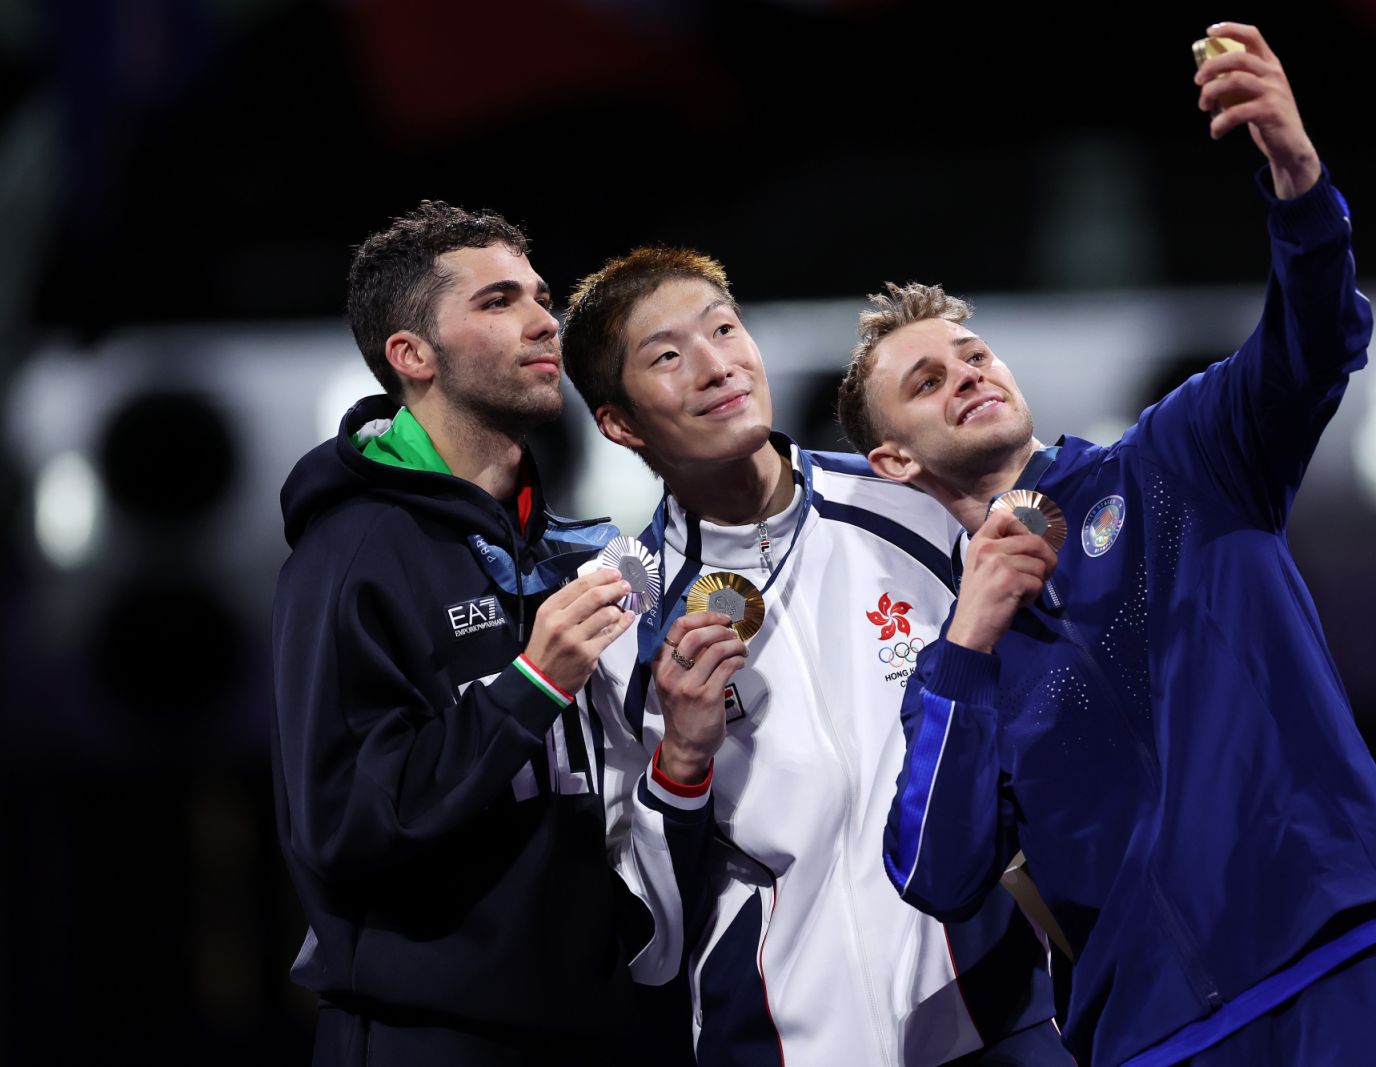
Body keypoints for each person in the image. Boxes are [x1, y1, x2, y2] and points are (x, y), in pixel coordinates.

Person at [839, 24, 1376, 1067]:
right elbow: (935, 872)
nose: (968, 375)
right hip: (1150, 1028)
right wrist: (968, 640)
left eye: (972, 353)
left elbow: (1313, 342)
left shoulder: (1176, 460)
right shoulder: (955, 667)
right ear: (893, 460)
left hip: (1322, 940)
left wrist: (1299, 184)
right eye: (928, 382)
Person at [559, 249, 1066, 1065]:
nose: (716, 364)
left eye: (724, 329)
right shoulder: (621, 618)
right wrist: (683, 760)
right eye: (667, 355)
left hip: (993, 1017)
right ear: (618, 422)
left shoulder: (915, 506)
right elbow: (645, 936)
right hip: (778, 1045)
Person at [271, 201, 648, 1065]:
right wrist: (531, 685)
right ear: (413, 356)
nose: (544, 320)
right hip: (430, 1036)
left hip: (595, 1027)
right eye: (498, 301)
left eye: (541, 296)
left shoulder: (566, 551)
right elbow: (339, 826)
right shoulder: (351, 554)